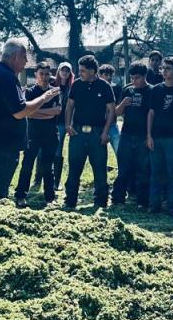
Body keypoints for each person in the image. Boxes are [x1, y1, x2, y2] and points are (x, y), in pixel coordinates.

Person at [0, 40, 60, 207]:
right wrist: (44, 98)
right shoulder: (6, 77)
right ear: (14, 56)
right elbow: (20, 111)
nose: (26, 61)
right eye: (24, 57)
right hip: (3, 145)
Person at [63, 55, 116, 210]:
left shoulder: (105, 86)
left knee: (100, 168)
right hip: (78, 132)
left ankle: (101, 202)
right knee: (74, 168)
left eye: (83, 71)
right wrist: (67, 125)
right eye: (80, 70)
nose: (80, 73)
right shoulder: (77, 85)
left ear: (93, 71)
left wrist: (106, 132)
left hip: (97, 133)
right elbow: (69, 106)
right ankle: (70, 201)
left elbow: (112, 111)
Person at [13, 61, 62, 207]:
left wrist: (35, 110)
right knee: (27, 165)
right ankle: (20, 195)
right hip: (32, 135)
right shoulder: (29, 92)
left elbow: (57, 111)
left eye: (47, 74)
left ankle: (50, 198)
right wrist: (46, 112)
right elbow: (29, 114)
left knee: (48, 167)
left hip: (50, 134)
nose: (45, 77)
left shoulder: (55, 91)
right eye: (42, 74)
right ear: (36, 75)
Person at [147, 57, 173, 214]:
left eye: (168, 68)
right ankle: (154, 204)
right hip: (157, 136)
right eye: (163, 68)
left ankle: (172, 205)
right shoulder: (156, 89)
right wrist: (149, 135)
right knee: (156, 172)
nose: (164, 71)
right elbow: (151, 113)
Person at [111, 62, 152, 207]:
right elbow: (117, 112)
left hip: (142, 136)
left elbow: (151, 115)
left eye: (137, 78)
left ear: (145, 76)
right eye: (132, 77)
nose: (134, 81)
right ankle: (118, 198)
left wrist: (149, 136)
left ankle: (142, 200)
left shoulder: (151, 91)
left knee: (143, 169)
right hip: (127, 134)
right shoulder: (127, 90)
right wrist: (123, 103)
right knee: (123, 167)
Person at [51, 62, 74, 190]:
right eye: (62, 70)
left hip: (68, 122)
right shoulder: (53, 85)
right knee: (54, 150)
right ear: (59, 71)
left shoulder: (73, 86)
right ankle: (42, 178)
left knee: (60, 151)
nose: (64, 72)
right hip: (55, 121)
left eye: (67, 70)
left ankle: (57, 181)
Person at [98, 64, 122, 155]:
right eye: (106, 74)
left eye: (111, 74)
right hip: (98, 125)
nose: (109, 77)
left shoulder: (117, 88)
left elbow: (117, 106)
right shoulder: (96, 87)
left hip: (112, 124)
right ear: (100, 75)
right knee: (99, 155)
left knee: (119, 152)